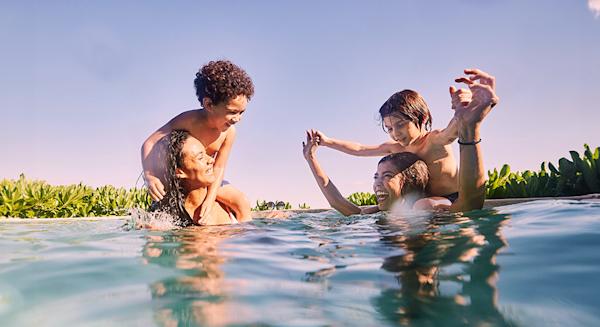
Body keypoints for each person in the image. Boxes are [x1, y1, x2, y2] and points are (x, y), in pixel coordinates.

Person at [303, 69, 499, 214]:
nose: (395, 133)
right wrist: (327, 142)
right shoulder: (395, 148)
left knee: (422, 205)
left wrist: (464, 111)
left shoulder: (434, 140)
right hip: (416, 203)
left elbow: (454, 130)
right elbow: (360, 148)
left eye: (400, 125)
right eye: (389, 128)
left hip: (449, 199)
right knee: (375, 211)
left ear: (421, 119)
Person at [141, 60, 253, 223]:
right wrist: (150, 176)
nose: (238, 118)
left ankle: (244, 234)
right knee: (161, 209)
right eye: (232, 112)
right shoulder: (188, 120)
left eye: (242, 112)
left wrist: (209, 199)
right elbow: (149, 143)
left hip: (208, 179)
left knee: (241, 201)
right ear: (209, 104)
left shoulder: (229, 132)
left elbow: (219, 167)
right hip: (184, 175)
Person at [156, 130, 247, 226]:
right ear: (179, 172)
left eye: (207, 154)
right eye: (200, 158)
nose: (211, 160)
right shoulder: (168, 216)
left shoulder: (234, 203)